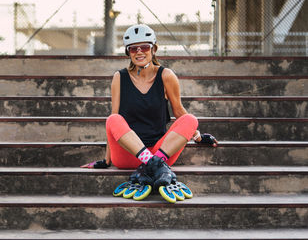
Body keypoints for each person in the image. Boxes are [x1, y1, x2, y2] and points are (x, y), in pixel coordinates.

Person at [81, 24, 217, 202]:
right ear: (127, 52)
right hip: (127, 155)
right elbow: (114, 124)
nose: (139, 52)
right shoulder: (119, 78)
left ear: (153, 49)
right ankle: (156, 167)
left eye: (144, 47)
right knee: (113, 119)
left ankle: (150, 166)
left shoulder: (166, 76)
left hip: (161, 151)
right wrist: (107, 161)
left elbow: (180, 112)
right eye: (133, 49)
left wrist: (197, 136)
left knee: (191, 119)